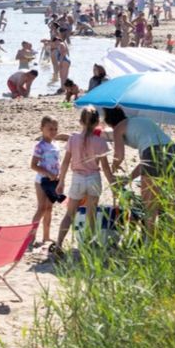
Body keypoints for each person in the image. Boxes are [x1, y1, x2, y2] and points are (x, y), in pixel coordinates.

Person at [104, 107, 175, 233]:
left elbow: (119, 156)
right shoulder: (140, 121)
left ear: (109, 122)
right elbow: (145, 163)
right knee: (170, 202)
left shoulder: (119, 127)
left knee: (150, 205)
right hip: (173, 150)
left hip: (153, 153)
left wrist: (113, 168)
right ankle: (173, 237)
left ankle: (150, 240)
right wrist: (129, 178)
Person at [50, 107, 115, 256]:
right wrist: (113, 184)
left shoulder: (73, 138)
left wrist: (61, 181)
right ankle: (89, 243)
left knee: (70, 214)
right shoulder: (100, 142)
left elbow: (66, 162)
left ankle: (59, 244)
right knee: (91, 215)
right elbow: (105, 167)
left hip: (78, 178)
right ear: (97, 122)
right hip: (94, 179)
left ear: (80, 121)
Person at [30, 116, 67, 246]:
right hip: (42, 181)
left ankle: (46, 236)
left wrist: (61, 178)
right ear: (42, 129)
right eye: (50, 129)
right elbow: (33, 165)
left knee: (49, 208)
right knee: (41, 208)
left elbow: (57, 163)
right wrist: (47, 173)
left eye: (55, 129)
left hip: (54, 181)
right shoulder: (40, 146)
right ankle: (30, 237)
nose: (53, 131)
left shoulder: (55, 144)